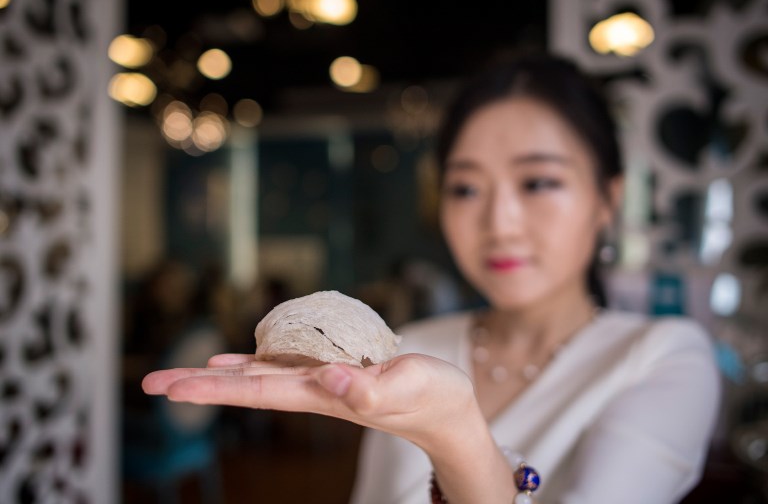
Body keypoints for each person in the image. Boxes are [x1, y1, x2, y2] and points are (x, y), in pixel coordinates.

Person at [142, 53, 721, 504]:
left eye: (538, 182)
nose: (499, 223)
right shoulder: (409, 345)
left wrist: (454, 433)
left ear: (607, 198)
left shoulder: (664, 357)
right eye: (466, 188)